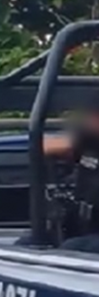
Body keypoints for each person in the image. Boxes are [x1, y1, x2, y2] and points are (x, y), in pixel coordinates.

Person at [43, 104, 99, 253]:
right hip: (83, 223)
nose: (90, 120)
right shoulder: (89, 141)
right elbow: (46, 146)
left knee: (69, 249)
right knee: (29, 243)